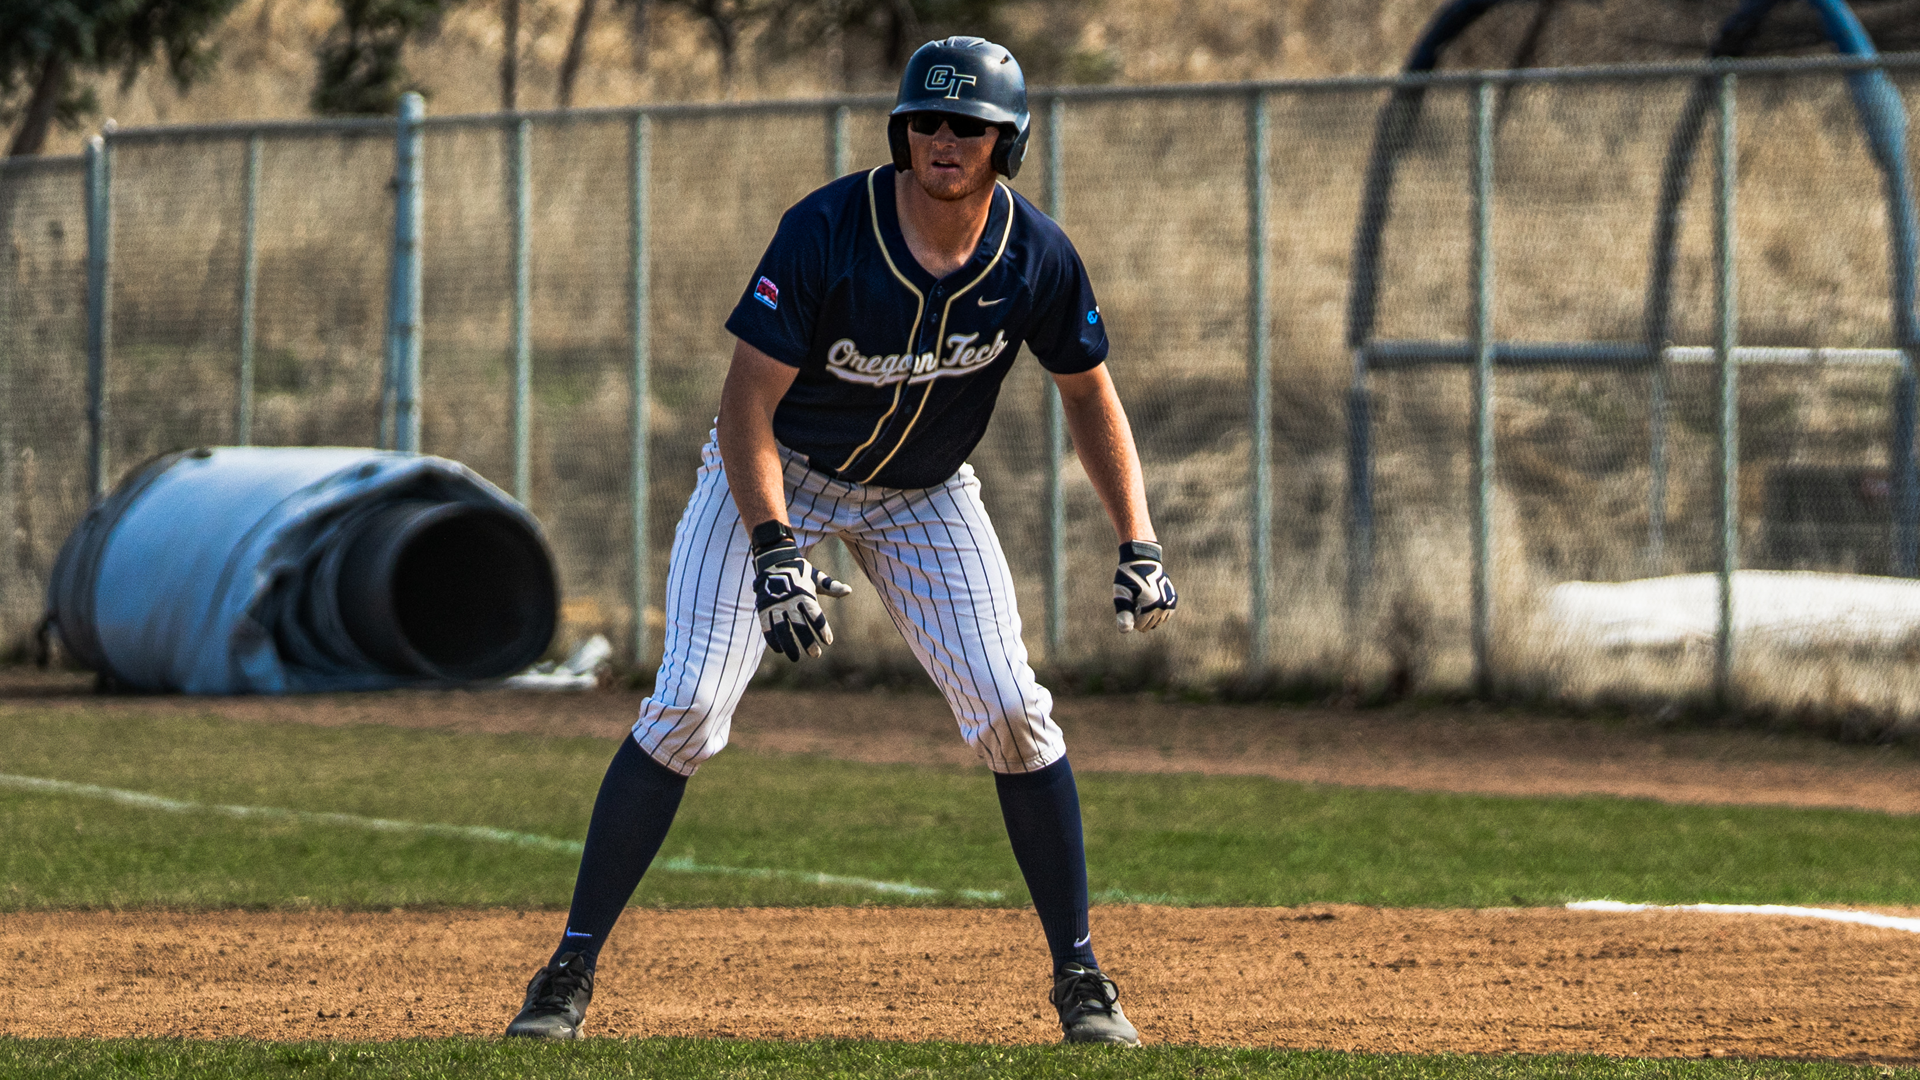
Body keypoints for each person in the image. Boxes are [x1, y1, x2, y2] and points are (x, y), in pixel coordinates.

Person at [503, 35, 1178, 1047]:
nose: (945, 139)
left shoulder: (1035, 254)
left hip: (923, 496)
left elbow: (1088, 393)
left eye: (970, 126)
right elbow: (746, 404)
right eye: (927, 121)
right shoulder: (828, 229)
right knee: (688, 707)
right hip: (780, 472)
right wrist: (776, 549)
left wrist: (1139, 539)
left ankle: (1082, 976)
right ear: (902, 133)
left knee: (1013, 712)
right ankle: (568, 969)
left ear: (1008, 144)